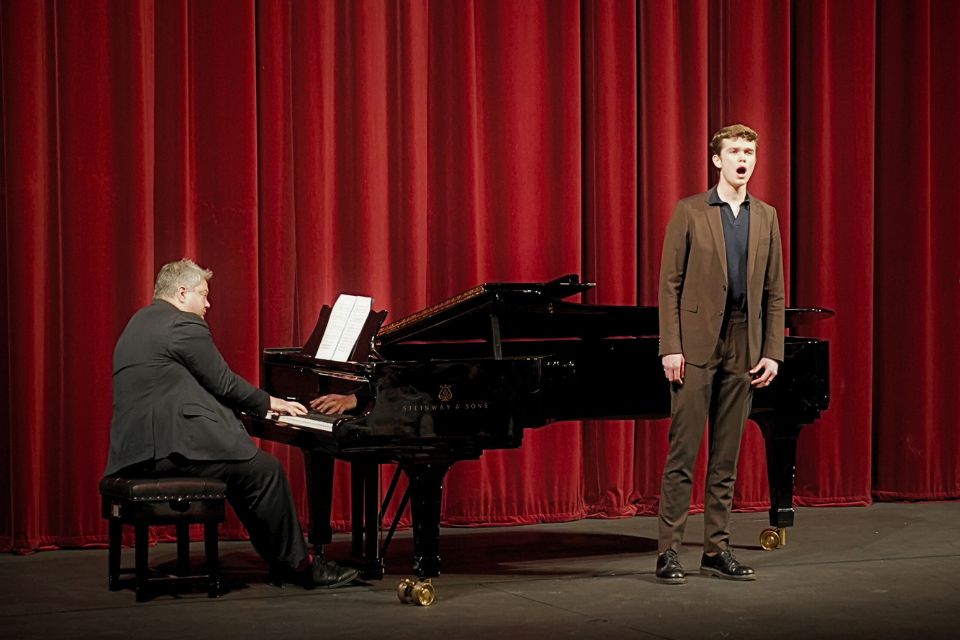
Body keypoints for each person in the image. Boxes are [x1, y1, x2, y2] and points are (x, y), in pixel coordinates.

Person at [103, 258, 359, 589]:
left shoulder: (139, 323)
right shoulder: (181, 324)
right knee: (266, 471)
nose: (208, 304)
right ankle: (301, 566)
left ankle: (283, 559)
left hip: (135, 453)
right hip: (169, 449)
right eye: (203, 295)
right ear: (182, 293)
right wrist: (269, 402)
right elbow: (222, 381)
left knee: (243, 471)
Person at [655, 124, 785, 584]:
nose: (742, 158)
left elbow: (774, 293)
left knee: (726, 456)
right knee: (683, 453)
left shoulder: (766, 215)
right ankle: (669, 551)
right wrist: (670, 346)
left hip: (744, 344)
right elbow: (669, 283)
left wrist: (773, 351)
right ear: (717, 160)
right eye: (734, 151)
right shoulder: (690, 210)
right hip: (694, 346)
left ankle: (717, 548)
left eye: (749, 151)